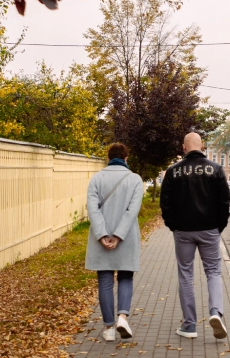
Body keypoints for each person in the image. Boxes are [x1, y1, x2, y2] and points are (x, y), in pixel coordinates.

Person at [160, 132, 230, 340]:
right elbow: (224, 202)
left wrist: (173, 225)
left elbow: (165, 203)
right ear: (202, 146)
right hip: (209, 229)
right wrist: (219, 226)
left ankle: (189, 325)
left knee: (186, 275)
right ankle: (216, 312)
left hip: (183, 230)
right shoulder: (216, 169)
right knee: (213, 271)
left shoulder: (173, 171)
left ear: (184, 147)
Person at [85, 143, 144, 342]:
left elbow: (92, 209)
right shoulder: (135, 179)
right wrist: (118, 235)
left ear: (108, 158)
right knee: (126, 277)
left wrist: (102, 234)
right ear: (126, 158)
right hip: (126, 238)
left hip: (100, 239)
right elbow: (132, 211)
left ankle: (109, 328)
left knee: (105, 281)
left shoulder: (97, 179)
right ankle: (122, 318)